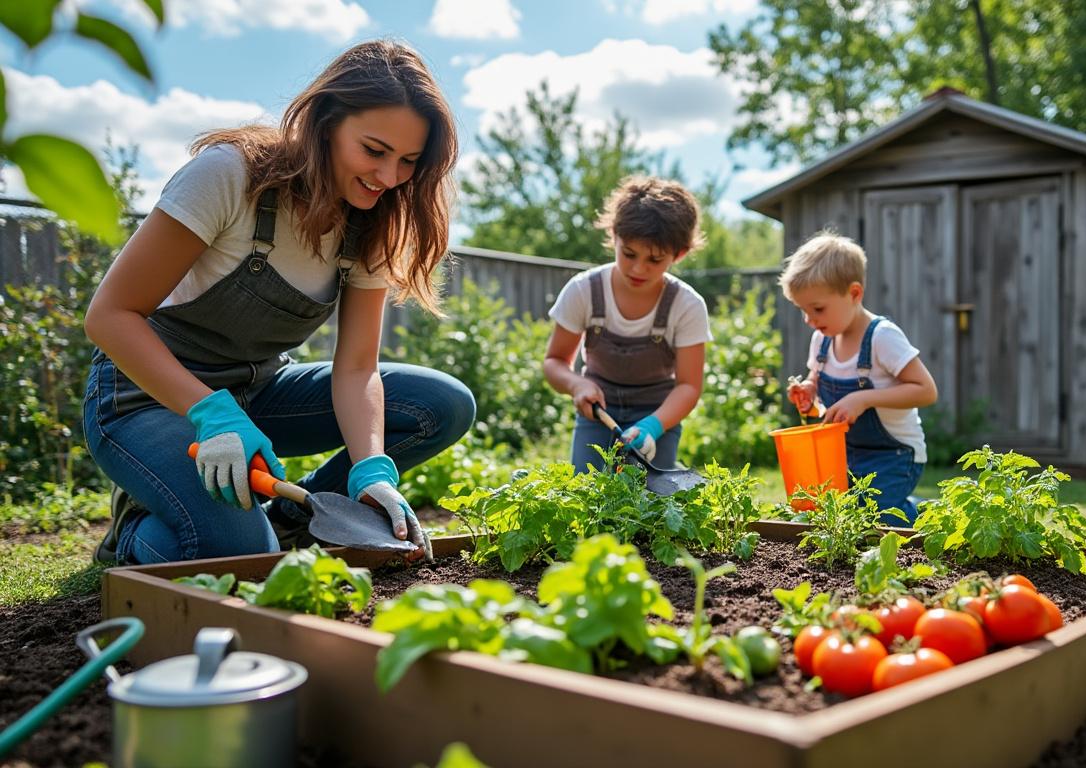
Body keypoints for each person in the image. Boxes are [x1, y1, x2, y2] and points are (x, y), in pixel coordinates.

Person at [83, 40, 475, 565]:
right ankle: (132, 532)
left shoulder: (374, 220)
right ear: (325, 122)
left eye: (408, 161)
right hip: (143, 397)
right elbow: (109, 316)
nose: (388, 178)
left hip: (257, 391)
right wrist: (211, 412)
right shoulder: (230, 176)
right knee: (238, 551)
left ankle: (295, 520)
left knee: (441, 404)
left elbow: (357, 368)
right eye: (375, 151)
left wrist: (372, 468)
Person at [542, 176, 711, 472]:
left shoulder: (687, 305)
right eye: (629, 253)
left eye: (655, 260)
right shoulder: (584, 291)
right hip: (597, 413)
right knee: (588, 493)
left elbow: (688, 386)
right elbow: (554, 362)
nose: (638, 268)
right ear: (614, 235)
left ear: (679, 254)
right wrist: (577, 384)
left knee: (650, 503)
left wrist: (653, 426)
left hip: (659, 416)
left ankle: (672, 473)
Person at [781, 232, 938, 524]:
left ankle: (925, 514)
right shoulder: (822, 341)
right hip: (846, 453)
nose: (810, 320)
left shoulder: (882, 337)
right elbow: (818, 392)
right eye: (803, 311)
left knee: (876, 519)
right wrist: (808, 394)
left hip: (894, 455)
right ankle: (910, 506)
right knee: (835, 517)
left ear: (854, 294)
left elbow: (926, 391)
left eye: (817, 309)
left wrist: (864, 398)